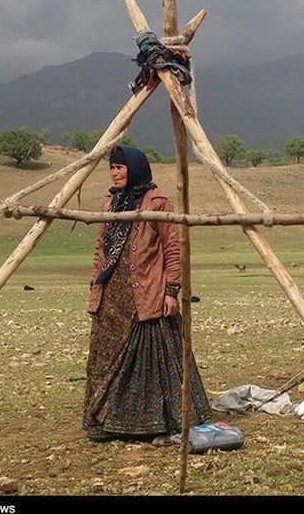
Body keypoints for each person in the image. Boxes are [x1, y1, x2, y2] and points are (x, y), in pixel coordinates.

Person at [83, 144, 212, 443]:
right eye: (112, 168)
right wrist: (94, 289)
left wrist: (171, 292)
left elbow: (173, 249)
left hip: (147, 292)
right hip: (112, 295)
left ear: (135, 168)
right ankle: (105, 419)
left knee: (153, 356)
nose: (115, 172)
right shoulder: (109, 204)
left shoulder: (158, 202)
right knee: (107, 358)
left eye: (120, 167)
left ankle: (156, 421)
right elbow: (99, 252)